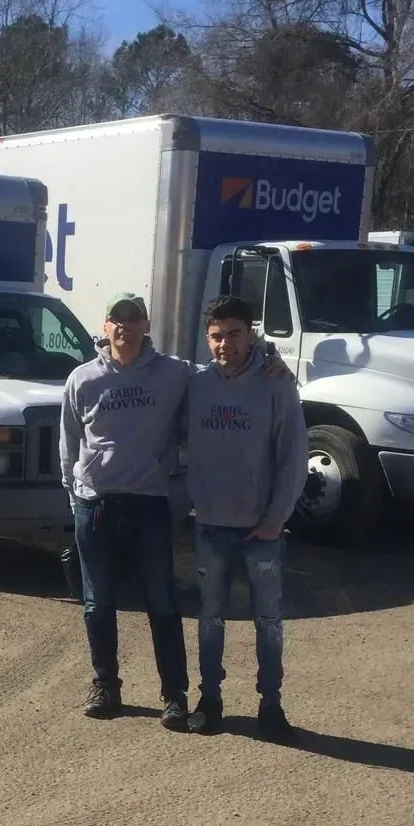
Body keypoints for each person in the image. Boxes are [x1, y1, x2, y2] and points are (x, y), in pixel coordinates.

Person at [59, 294, 193, 727]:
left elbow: (221, 376)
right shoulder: (82, 379)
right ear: (106, 325)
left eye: (133, 319)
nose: (125, 327)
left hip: (149, 503)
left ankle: (174, 695)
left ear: (146, 325)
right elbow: (69, 444)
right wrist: (76, 495)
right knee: (97, 603)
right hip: (95, 506)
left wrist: (268, 359)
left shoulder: (173, 374)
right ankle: (106, 686)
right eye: (117, 319)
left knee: (162, 601)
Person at [184, 295, 308, 742]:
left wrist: (276, 518)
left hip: (262, 530)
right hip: (211, 524)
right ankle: (210, 700)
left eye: (234, 334)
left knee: (268, 621)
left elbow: (294, 458)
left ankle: (270, 706)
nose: (224, 344)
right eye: (216, 336)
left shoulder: (276, 386)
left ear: (251, 333)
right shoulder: (195, 384)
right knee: (210, 616)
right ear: (207, 338)